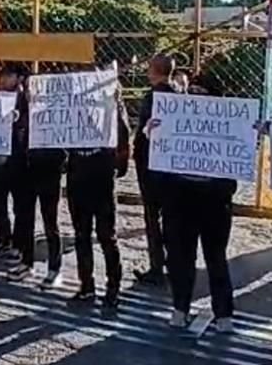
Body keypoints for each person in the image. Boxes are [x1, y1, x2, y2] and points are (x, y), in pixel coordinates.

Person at [156, 75, 237, 332]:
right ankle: (180, 309)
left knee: (215, 258)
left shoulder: (231, 123)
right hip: (182, 200)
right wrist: (152, 132)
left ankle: (223, 314)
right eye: (193, 92)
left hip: (213, 202)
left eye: (203, 93)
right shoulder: (175, 119)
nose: (197, 97)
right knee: (181, 258)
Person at [67, 73, 132, 308]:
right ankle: (86, 285)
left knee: (106, 236)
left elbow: (124, 140)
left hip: (101, 180)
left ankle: (113, 287)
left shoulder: (112, 113)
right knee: (81, 234)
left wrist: (117, 168)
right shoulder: (72, 111)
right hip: (78, 179)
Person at [10, 70, 66, 288]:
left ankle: (54, 268)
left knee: (50, 220)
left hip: (48, 169)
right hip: (26, 169)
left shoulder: (55, 113)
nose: (29, 92)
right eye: (27, 88)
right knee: (25, 217)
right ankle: (26, 262)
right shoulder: (21, 111)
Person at [133, 54, 176, 286]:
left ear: (155, 70)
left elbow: (144, 132)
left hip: (150, 165)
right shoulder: (178, 96)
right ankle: (174, 262)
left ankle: (156, 266)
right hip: (170, 167)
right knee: (171, 216)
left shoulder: (152, 97)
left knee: (152, 216)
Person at [0, 62, 29, 257]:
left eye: (8, 75)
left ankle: (19, 243)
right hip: (0, 157)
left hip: (18, 158)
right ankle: (4, 239)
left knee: (19, 204)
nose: (3, 79)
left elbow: (32, 122)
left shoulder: (26, 99)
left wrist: (19, 118)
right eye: (1, 76)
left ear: (19, 78)